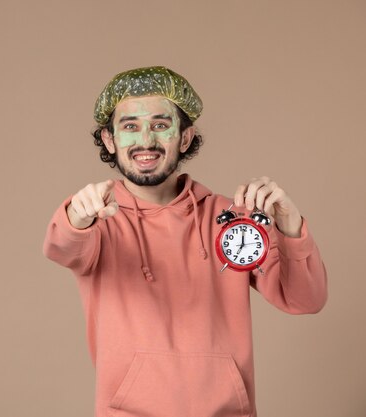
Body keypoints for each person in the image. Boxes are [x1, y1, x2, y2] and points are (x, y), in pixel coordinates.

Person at [42, 66, 327, 417]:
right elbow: (61, 247)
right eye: (130, 126)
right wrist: (75, 217)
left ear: (186, 138)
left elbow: (305, 299)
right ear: (109, 140)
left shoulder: (233, 219)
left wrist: (290, 226)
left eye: (161, 125)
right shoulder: (98, 218)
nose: (145, 140)